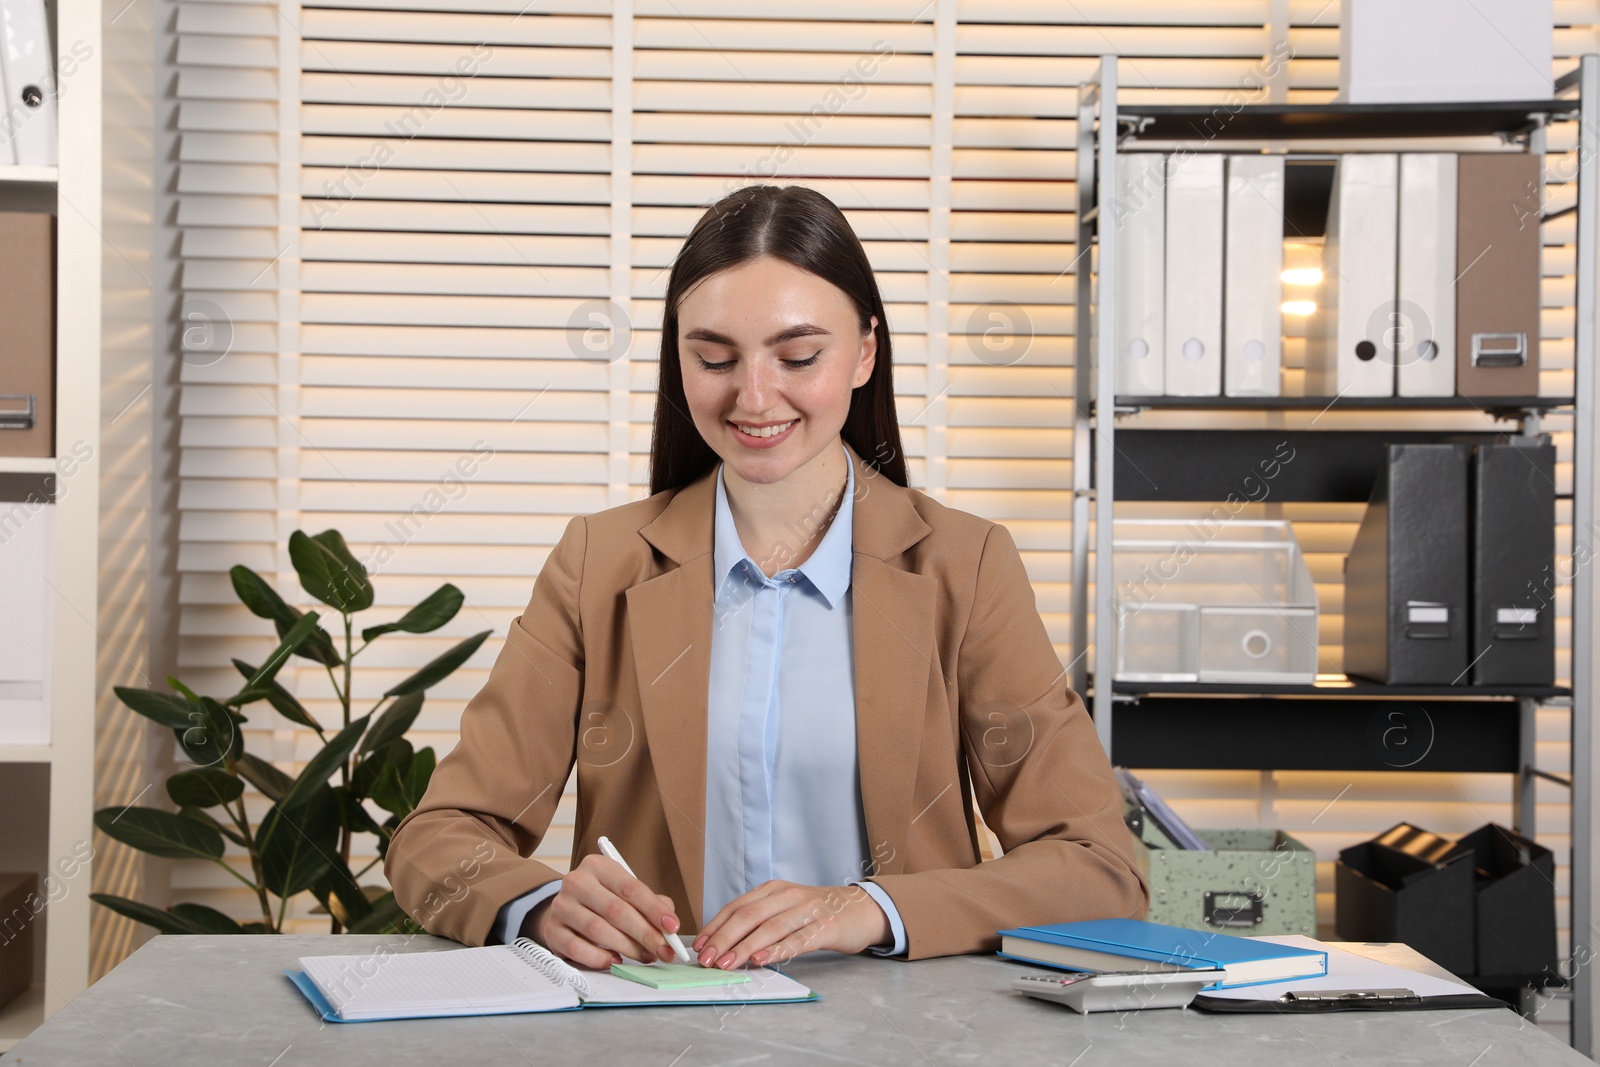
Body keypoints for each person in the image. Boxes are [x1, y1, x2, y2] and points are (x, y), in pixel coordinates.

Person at [385, 184, 1147, 971]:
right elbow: (440, 838)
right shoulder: (597, 564)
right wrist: (538, 904)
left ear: (864, 353)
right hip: (660, 1030)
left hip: (898, 1039)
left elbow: (1099, 865)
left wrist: (870, 909)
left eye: (798, 356)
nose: (752, 397)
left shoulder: (965, 565)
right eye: (714, 358)